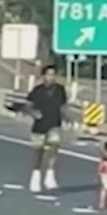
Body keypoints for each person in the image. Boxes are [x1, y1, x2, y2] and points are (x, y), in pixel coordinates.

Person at [25, 65, 68, 193]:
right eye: (48, 75)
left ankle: (50, 175)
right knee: (39, 152)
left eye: (53, 75)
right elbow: (28, 105)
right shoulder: (37, 90)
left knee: (54, 148)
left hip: (54, 123)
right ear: (43, 76)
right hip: (39, 125)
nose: (51, 77)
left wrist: (66, 118)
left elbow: (63, 106)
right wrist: (34, 113)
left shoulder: (60, 90)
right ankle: (36, 176)